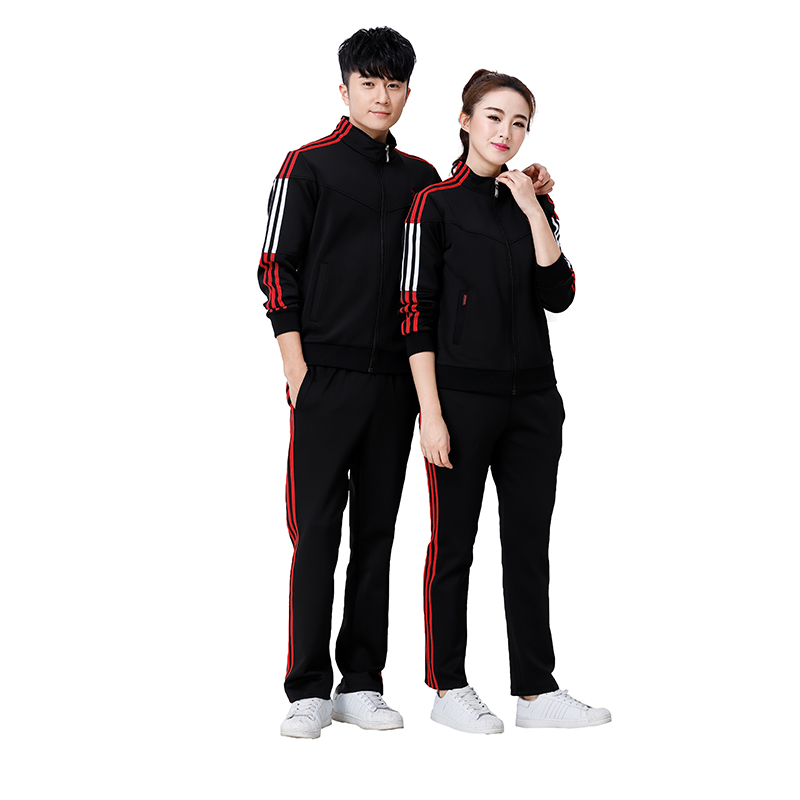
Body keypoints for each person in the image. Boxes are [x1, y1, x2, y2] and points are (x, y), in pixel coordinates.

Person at [257, 29, 559, 739]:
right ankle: (306, 689)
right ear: (345, 90)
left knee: (378, 532)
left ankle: (361, 682)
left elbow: (460, 212)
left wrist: (531, 187)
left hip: (399, 382)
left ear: (408, 94)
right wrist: (296, 366)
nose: (381, 96)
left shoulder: (420, 177)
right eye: (368, 83)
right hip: (325, 375)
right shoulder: (307, 165)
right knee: (315, 533)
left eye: (393, 85)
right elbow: (275, 266)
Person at [400, 69, 610, 733]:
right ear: (465, 120)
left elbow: (560, 294)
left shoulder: (531, 201)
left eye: (519, 123)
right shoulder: (433, 204)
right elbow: (415, 315)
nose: (506, 132)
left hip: (535, 401)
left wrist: (532, 206)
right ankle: (448, 686)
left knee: (528, 545)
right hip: (462, 402)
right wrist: (431, 414)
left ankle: (536, 692)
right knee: (453, 547)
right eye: (493, 117)